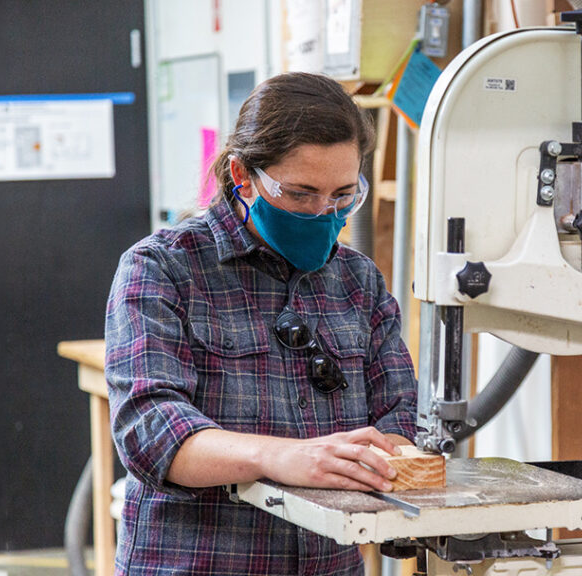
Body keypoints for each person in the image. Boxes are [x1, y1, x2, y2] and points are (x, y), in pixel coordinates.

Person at [105, 72, 418, 576]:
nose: (323, 213)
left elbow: (402, 416)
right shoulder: (164, 268)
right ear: (241, 175)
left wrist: (391, 455)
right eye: (300, 194)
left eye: (342, 195)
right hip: (196, 563)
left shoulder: (358, 282)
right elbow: (152, 433)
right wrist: (280, 458)